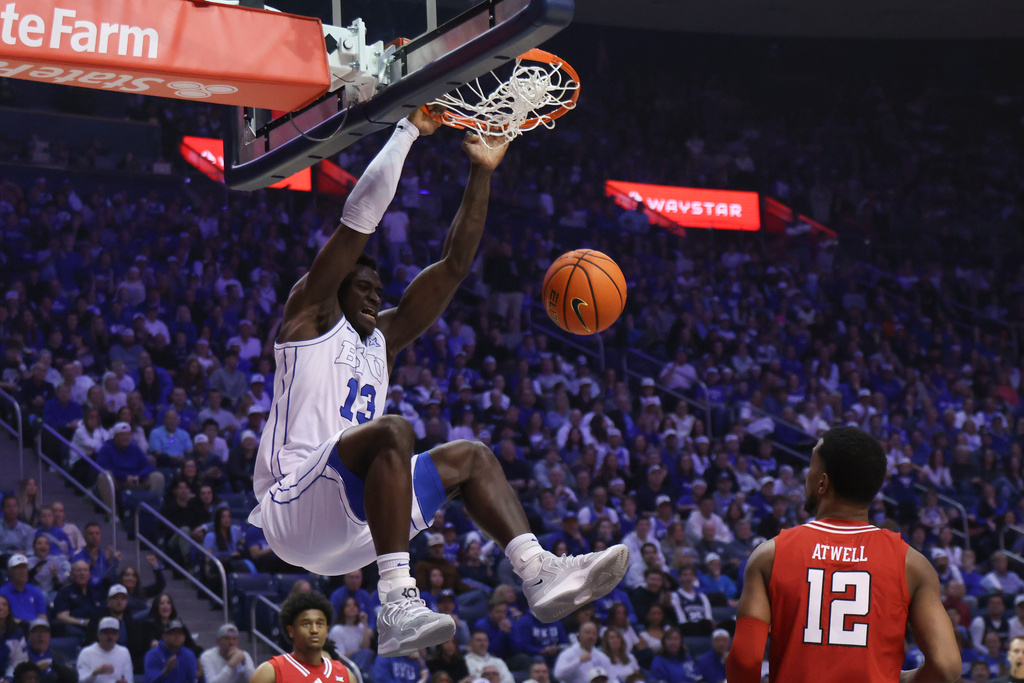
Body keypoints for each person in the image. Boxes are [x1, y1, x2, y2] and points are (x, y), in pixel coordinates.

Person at [247, 108, 629, 657]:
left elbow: (453, 265)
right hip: (292, 509)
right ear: (334, 290)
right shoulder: (306, 318)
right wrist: (406, 132)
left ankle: (537, 569)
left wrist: (482, 170)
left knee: (471, 457)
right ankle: (397, 602)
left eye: (381, 288)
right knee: (393, 431)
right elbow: (358, 221)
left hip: (356, 528)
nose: (376, 295)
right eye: (363, 286)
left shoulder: (384, 340)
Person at [726, 426, 962, 682]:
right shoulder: (912, 564)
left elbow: (745, 659)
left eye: (811, 466)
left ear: (822, 482)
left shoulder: (770, 555)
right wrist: (901, 678)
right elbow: (946, 667)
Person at [249, 592, 355, 683]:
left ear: (327, 631)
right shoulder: (270, 672)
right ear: (291, 631)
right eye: (306, 624)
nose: (314, 630)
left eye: (320, 624)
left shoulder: (345, 675)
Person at [76, 617, 133, 683]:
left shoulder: (124, 652)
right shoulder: (86, 653)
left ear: (117, 636)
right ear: (98, 635)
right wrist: (95, 673)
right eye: (106, 632)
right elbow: (81, 681)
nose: (110, 636)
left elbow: (129, 679)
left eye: (113, 633)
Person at [24, 619, 77, 683]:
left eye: (44, 632)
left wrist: (51, 664)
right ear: (30, 635)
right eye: (37, 631)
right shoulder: (23, 656)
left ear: (49, 635)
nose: (40, 635)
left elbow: (72, 676)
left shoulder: (58, 656)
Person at [1, 554, 48, 622]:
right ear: (10, 571)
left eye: (24, 567)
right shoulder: (3, 593)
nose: (22, 571)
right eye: (17, 568)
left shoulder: (36, 591)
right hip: (14, 628)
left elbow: (42, 615)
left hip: (34, 628)